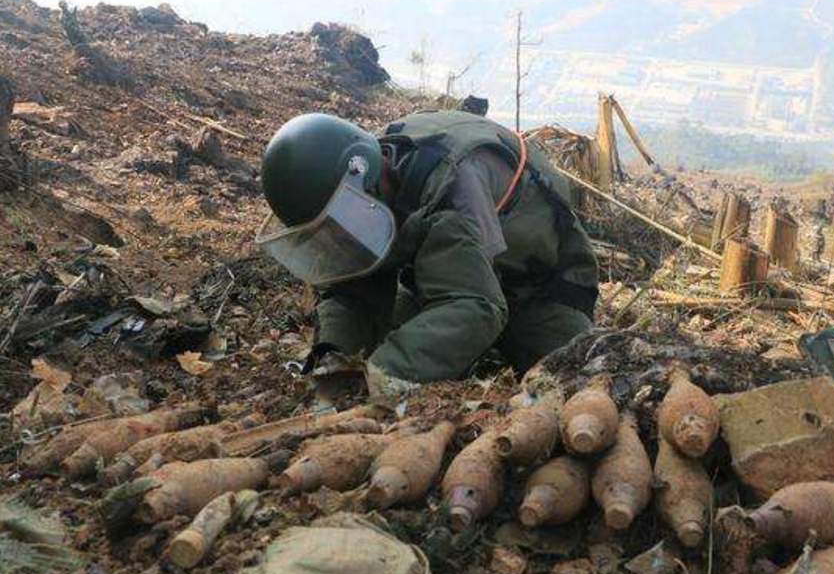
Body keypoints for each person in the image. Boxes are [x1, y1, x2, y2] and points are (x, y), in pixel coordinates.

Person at [255, 109, 598, 395]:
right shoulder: (359, 171)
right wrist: (332, 357)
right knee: (382, 350)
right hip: (443, 274)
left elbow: (477, 306)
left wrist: (378, 378)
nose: (342, 236)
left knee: (572, 382)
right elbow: (352, 288)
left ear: (366, 177)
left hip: (535, 287)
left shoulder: (454, 182)